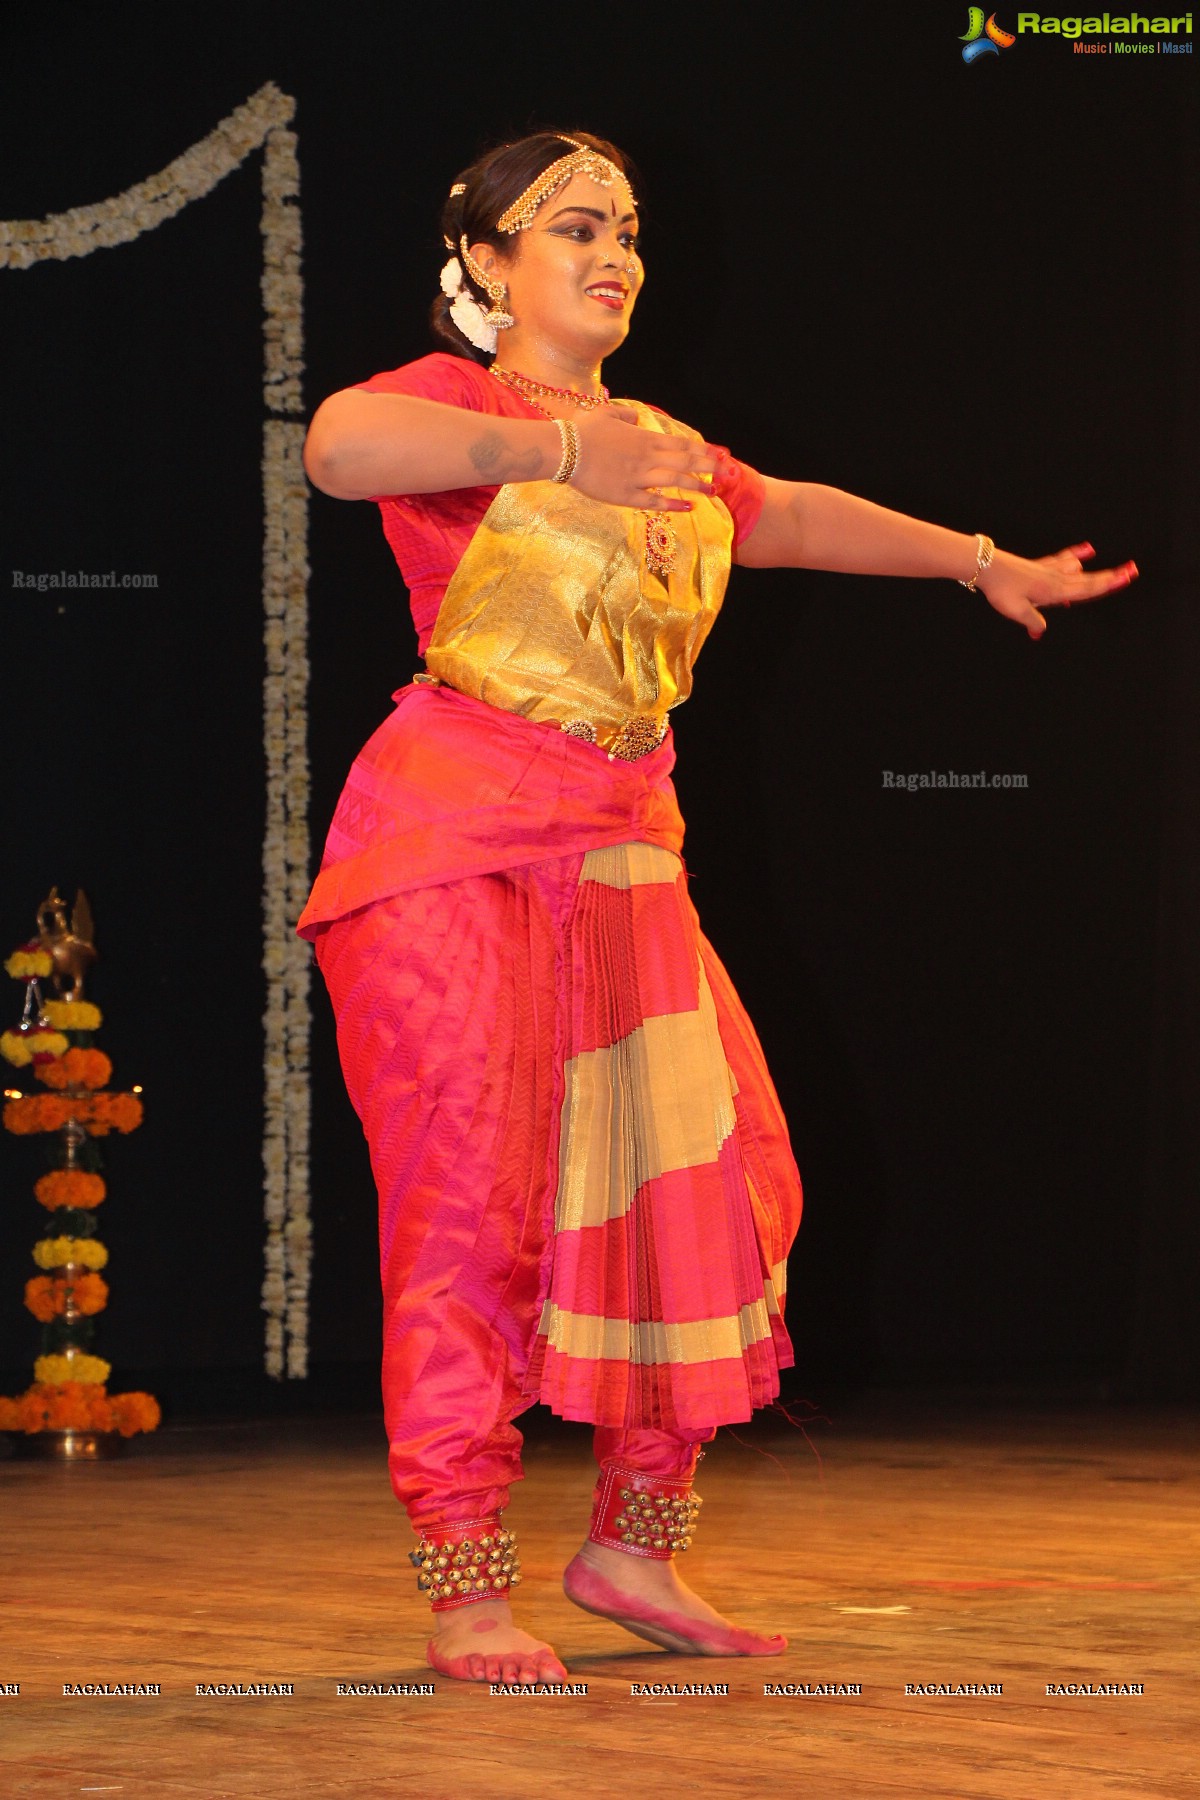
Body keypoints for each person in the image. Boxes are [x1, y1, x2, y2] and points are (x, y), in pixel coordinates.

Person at [299, 131, 1137, 1688]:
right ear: (483, 264)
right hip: (451, 841)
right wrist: (554, 458)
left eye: (627, 227)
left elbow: (794, 515)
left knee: (722, 1187)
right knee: (472, 1203)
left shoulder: (660, 436)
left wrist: (981, 562)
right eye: (570, 226)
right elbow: (336, 453)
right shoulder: (452, 405)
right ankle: (466, 1584)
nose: (613, 249)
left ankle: (632, 1543)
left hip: (626, 847)